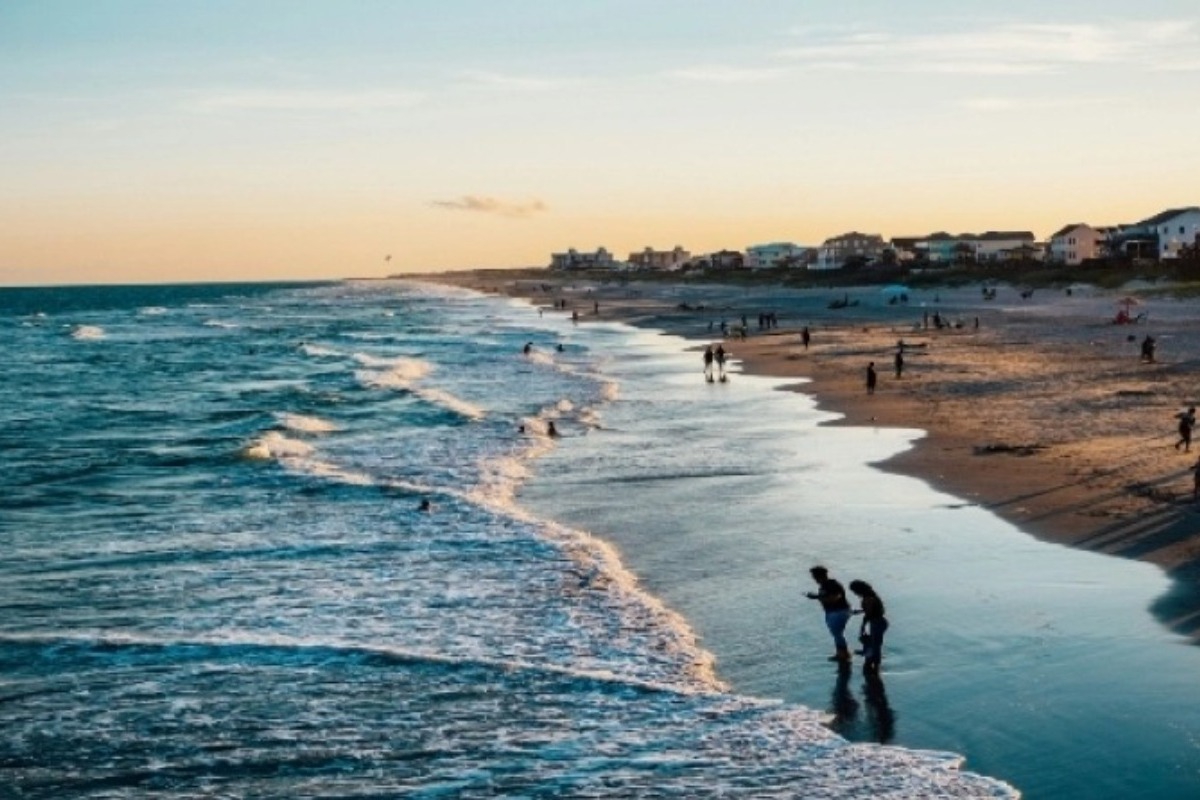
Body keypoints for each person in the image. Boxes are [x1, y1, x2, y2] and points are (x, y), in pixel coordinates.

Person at [806, 566, 852, 662]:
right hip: (834, 612)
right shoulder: (824, 586)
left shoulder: (831, 585)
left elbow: (834, 598)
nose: (814, 579)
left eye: (814, 576)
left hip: (838, 611)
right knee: (837, 634)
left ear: (819, 576)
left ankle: (844, 655)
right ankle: (841, 653)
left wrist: (816, 597)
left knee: (837, 634)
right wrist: (818, 596)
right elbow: (826, 598)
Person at [849, 580, 888, 673]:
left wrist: (862, 626)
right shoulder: (872, 596)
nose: (854, 593)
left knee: (875, 645)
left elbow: (868, 614)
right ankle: (873, 661)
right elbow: (870, 610)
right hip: (879, 622)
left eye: (854, 591)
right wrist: (859, 611)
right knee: (875, 644)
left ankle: (875, 666)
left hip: (876, 623)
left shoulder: (868, 599)